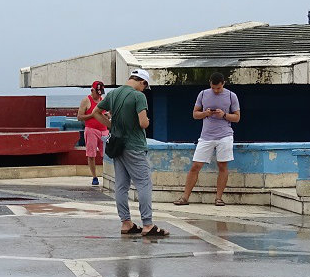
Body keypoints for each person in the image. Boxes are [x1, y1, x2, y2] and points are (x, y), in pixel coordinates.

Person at [95, 68, 168, 237]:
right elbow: (143, 123)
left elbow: (95, 113)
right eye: (145, 86)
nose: (144, 90)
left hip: (117, 145)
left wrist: (111, 126)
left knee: (121, 186)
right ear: (143, 82)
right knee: (144, 183)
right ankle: (148, 224)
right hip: (134, 145)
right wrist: (148, 121)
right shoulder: (138, 96)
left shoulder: (113, 94)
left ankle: (126, 222)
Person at [174, 72, 241, 207]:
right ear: (210, 83)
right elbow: (195, 114)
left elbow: (237, 117)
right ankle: (185, 197)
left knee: (222, 165)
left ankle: (219, 198)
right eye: (214, 87)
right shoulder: (203, 94)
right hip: (206, 136)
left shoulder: (231, 95)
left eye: (219, 88)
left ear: (223, 84)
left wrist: (224, 115)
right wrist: (206, 113)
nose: (216, 91)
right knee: (195, 166)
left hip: (225, 135)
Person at [76, 81, 109, 186]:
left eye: (100, 93)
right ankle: (94, 176)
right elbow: (80, 117)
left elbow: (105, 114)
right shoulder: (86, 100)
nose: (99, 95)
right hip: (91, 129)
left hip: (103, 129)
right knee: (91, 154)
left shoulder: (102, 100)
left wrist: (107, 115)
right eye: (97, 93)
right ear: (92, 90)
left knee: (107, 154)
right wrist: (93, 115)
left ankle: (108, 175)